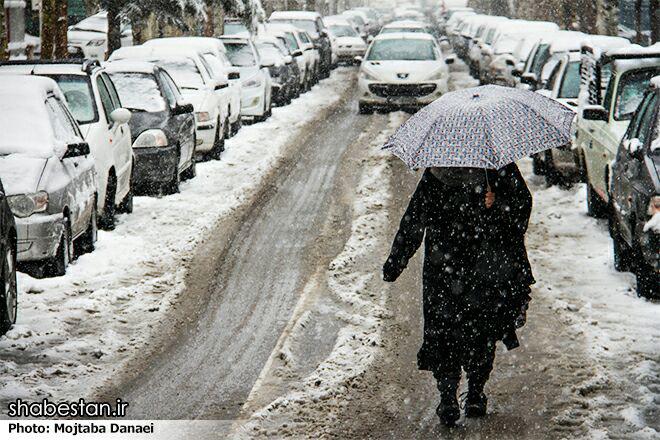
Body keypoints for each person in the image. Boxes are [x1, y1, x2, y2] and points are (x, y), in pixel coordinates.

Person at [382, 163, 534, 427]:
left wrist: (396, 260)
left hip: (446, 269)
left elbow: (413, 220)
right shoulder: (498, 167)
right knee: (479, 332)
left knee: (447, 332)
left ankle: (450, 395)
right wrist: (498, 204)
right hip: (481, 269)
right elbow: (521, 207)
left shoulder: (436, 173)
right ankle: (472, 392)